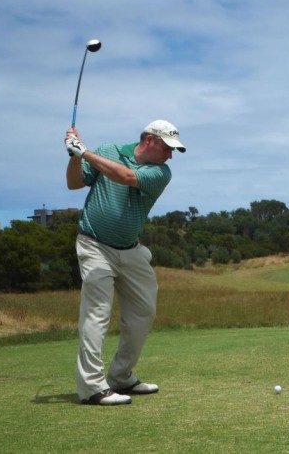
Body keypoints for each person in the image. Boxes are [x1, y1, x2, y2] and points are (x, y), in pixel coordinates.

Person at [64, 120, 186, 405]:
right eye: (168, 148)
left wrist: (85, 152)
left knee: (144, 313)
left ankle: (120, 377)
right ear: (149, 139)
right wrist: (73, 155)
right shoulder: (108, 150)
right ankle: (93, 388)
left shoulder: (160, 172)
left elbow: (125, 176)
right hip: (94, 244)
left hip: (132, 250)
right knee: (97, 314)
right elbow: (73, 183)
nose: (171, 156)